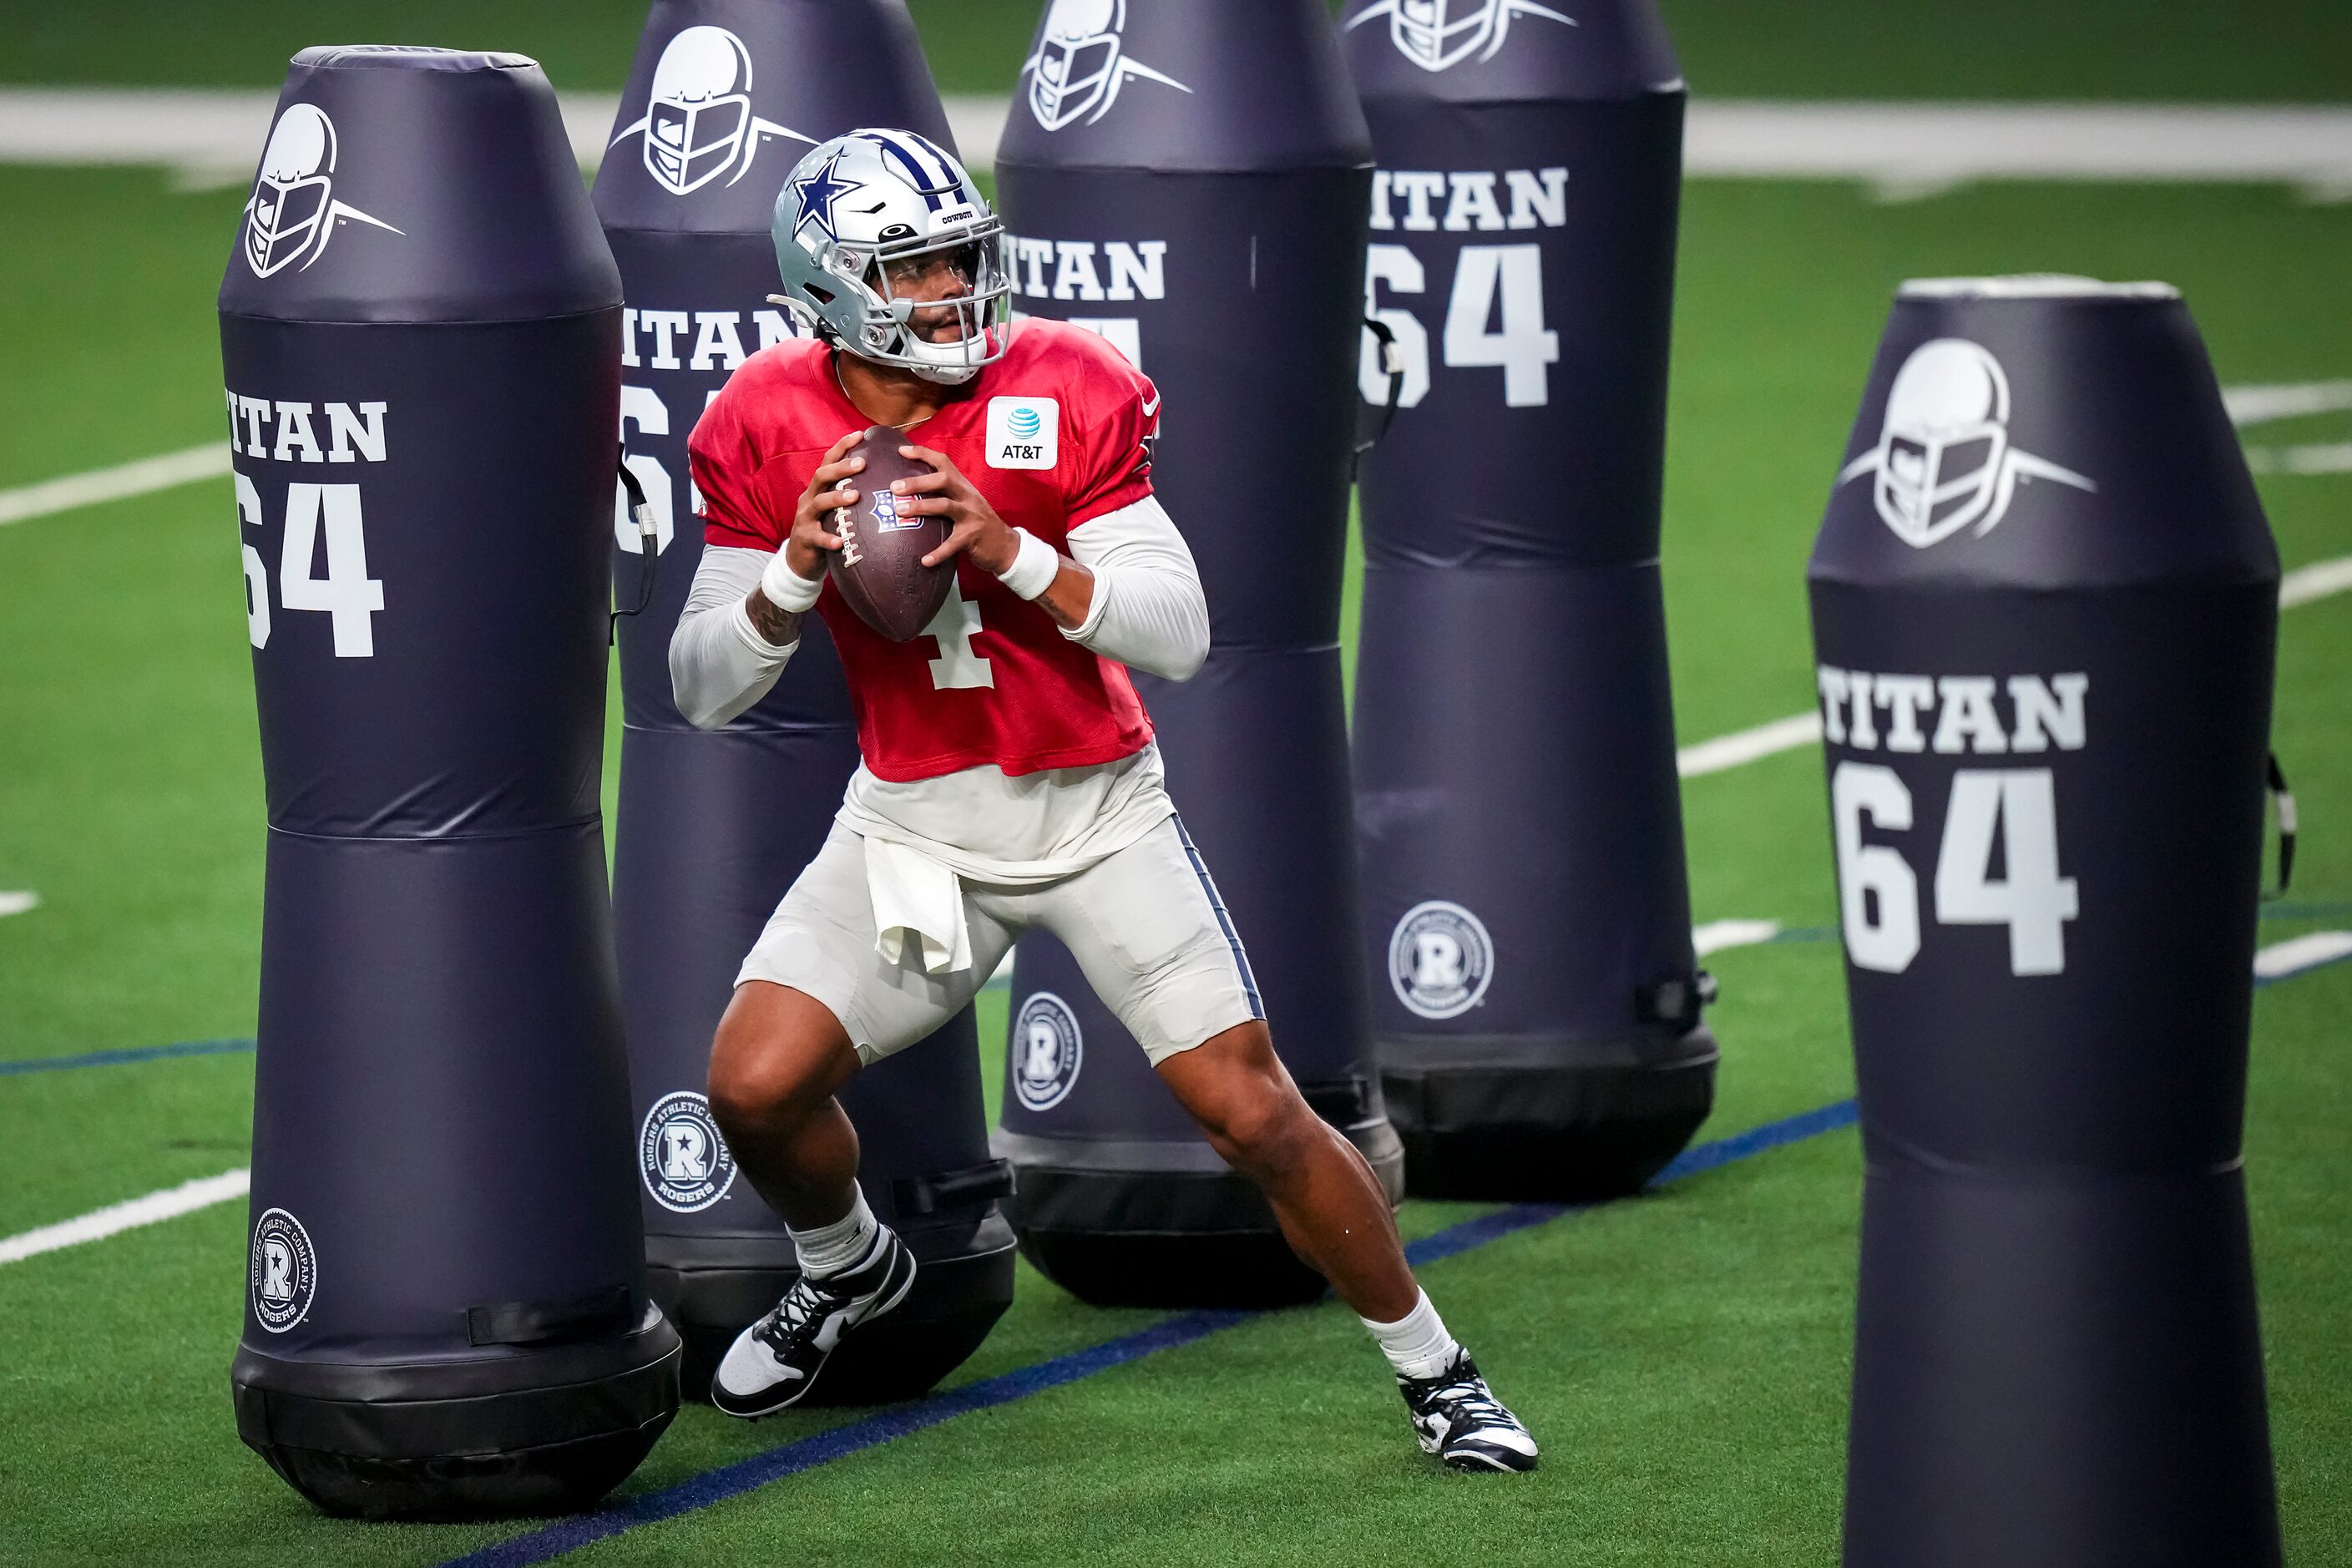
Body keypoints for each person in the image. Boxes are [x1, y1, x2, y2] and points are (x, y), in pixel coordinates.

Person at [670, 128, 1536, 1474]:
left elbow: (1178, 629)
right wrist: (788, 570)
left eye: (961, 255)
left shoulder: (1063, 383)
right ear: (831, 285)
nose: (954, 287)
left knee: (1250, 1108)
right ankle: (845, 1266)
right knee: (751, 1085)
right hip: (911, 825)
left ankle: (1441, 1373)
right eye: (914, 270)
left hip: (1092, 811)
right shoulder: (764, 421)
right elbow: (703, 684)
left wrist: (1011, 549)